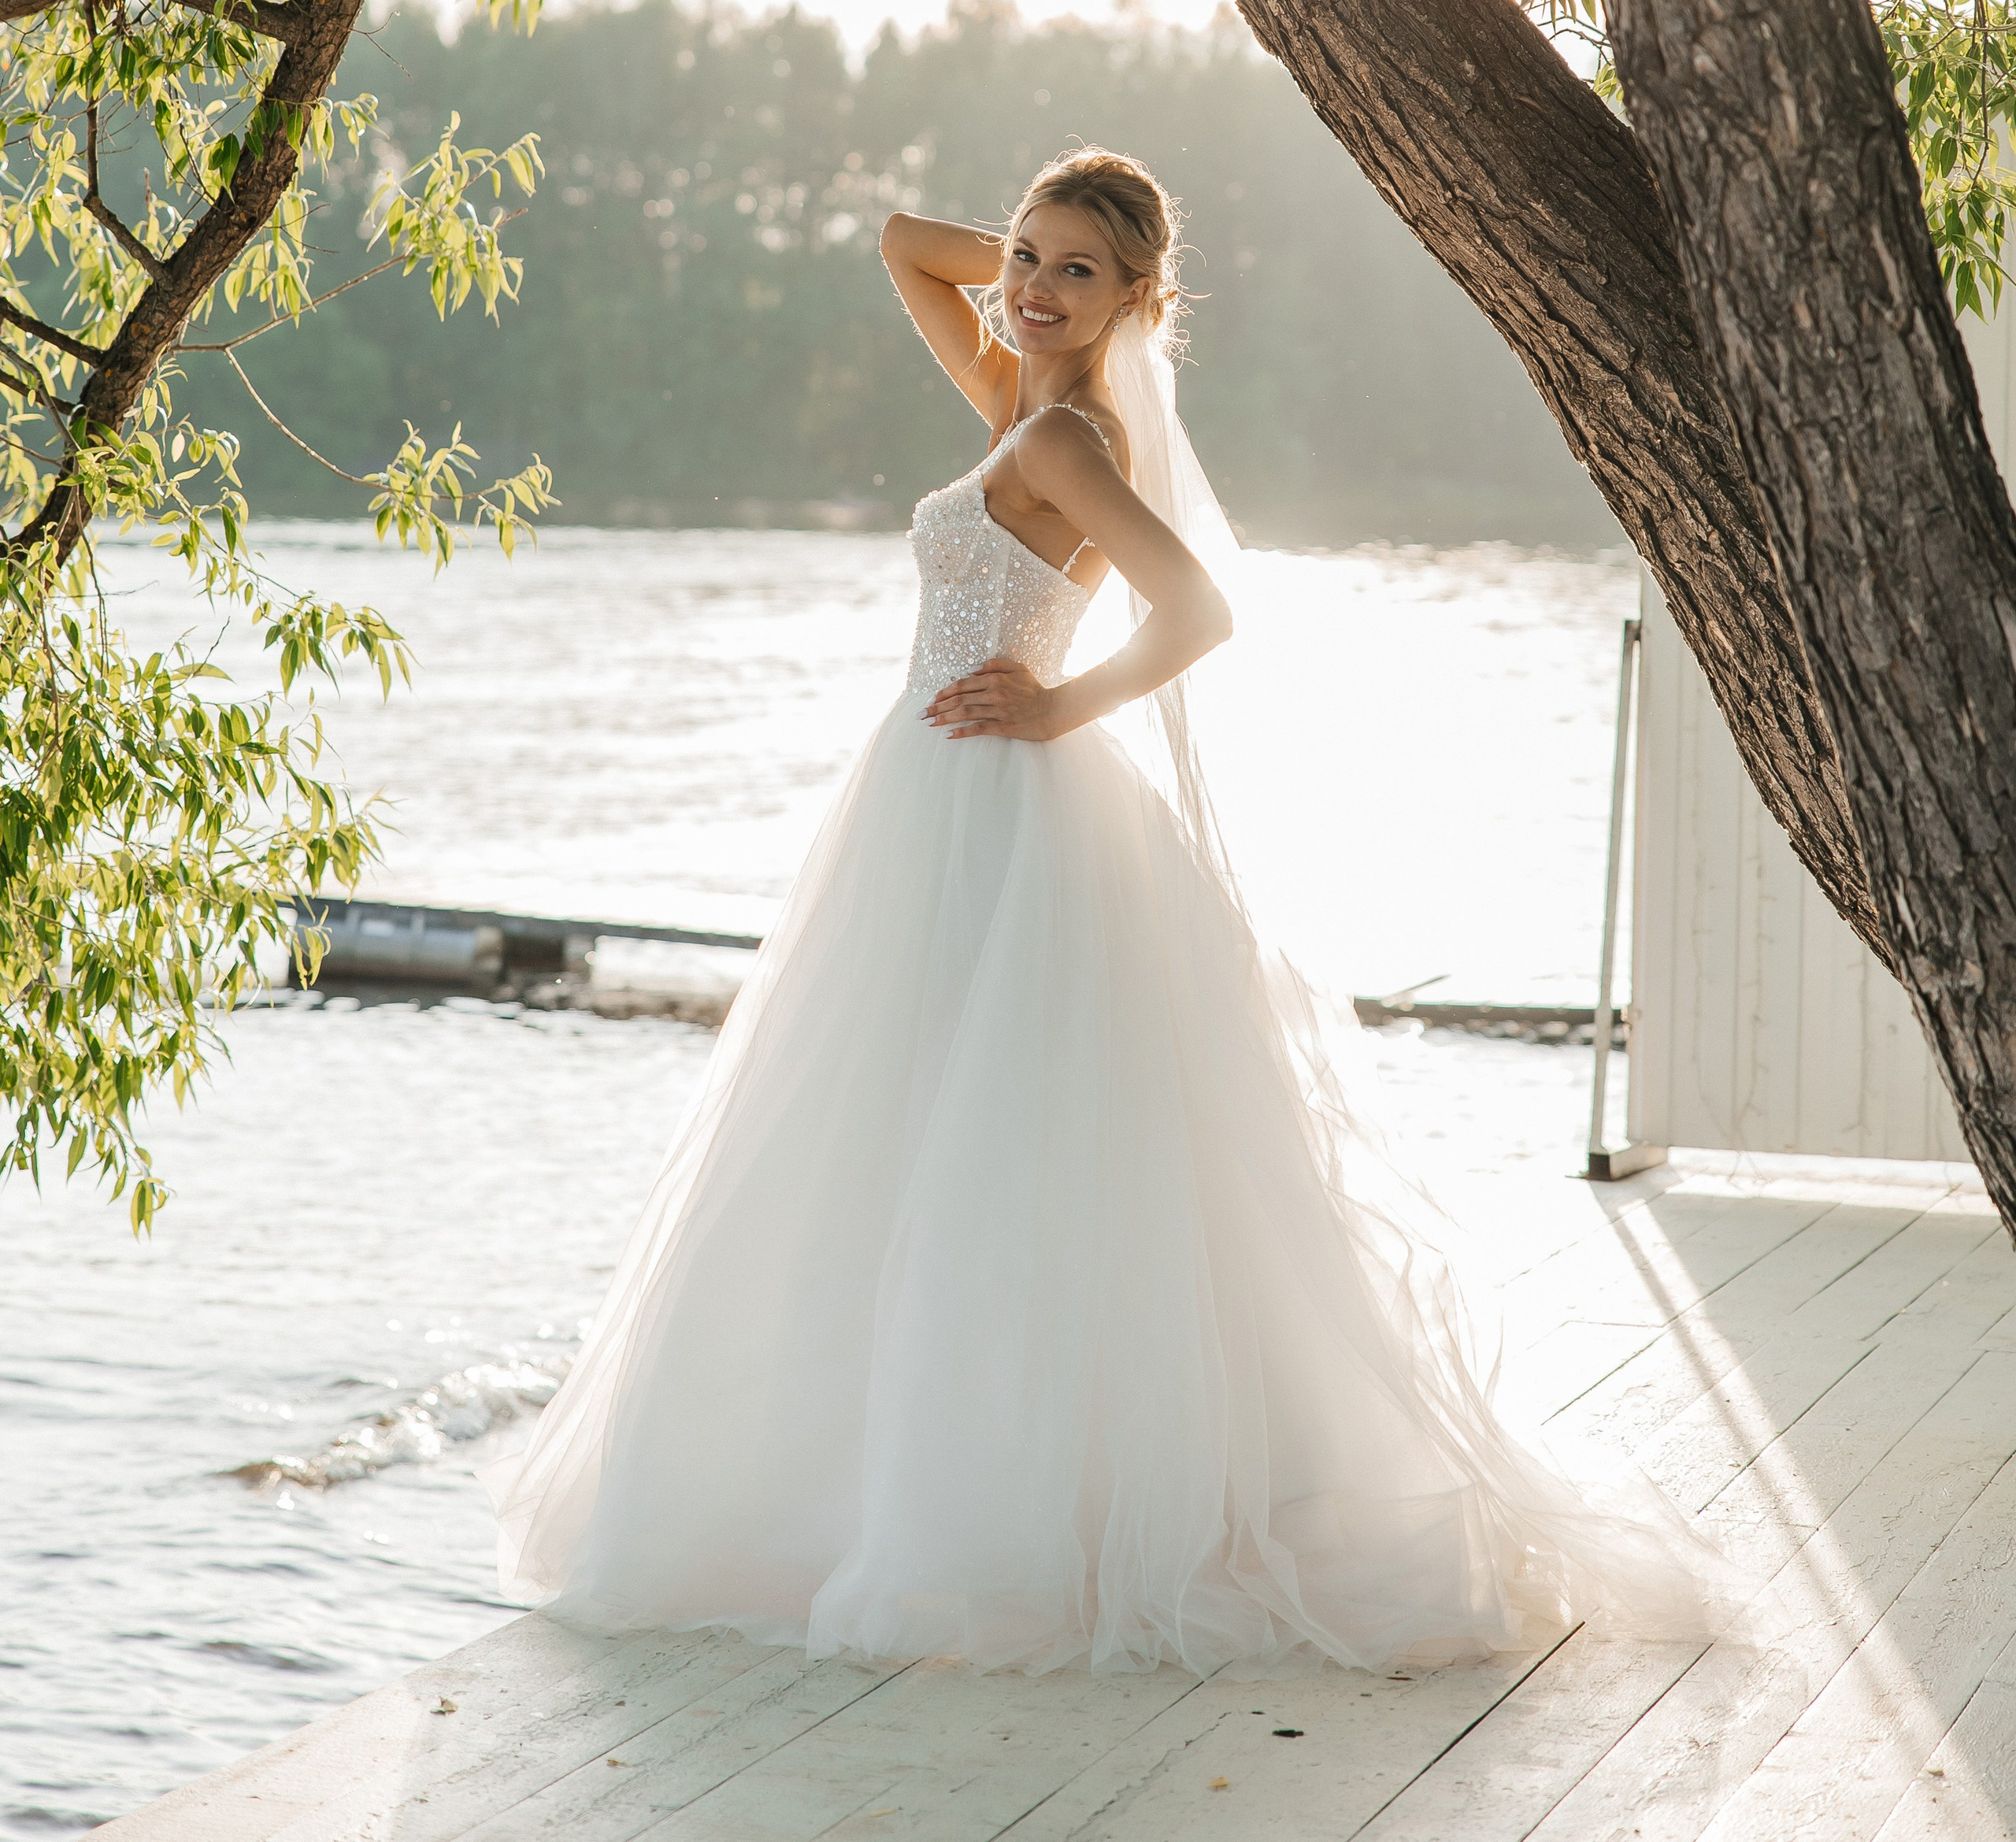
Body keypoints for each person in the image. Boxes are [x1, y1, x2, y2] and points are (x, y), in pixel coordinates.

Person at [491, 147, 1718, 1670]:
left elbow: (1200, 610)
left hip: (994, 796)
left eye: (1080, 271)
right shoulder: (1019, 395)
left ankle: (977, 1513)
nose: (1033, 286)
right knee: (907, 1130)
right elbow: (900, 240)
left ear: (1141, 298)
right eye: (1027, 256)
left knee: (976, 1138)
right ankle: (876, 1483)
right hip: (933, 795)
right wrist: (1040, 267)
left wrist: (1058, 706)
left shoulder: (1064, 437)